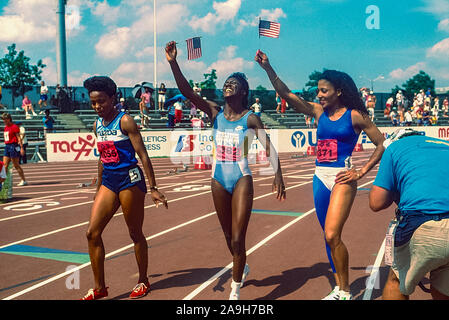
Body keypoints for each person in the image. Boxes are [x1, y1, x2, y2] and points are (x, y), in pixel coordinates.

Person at [255, 49, 385, 300]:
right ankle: (339, 286)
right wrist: (268, 68)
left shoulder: (355, 115)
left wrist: (361, 172)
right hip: (319, 177)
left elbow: (381, 143)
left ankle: (346, 292)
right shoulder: (317, 112)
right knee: (328, 235)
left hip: (341, 178)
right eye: (318, 91)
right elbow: (285, 93)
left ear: (338, 91)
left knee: (332, 233)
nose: (319, 95)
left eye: (324, 91)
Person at [166, 41, 286, 300]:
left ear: (243, 91)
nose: (227, 84)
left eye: (233, 83)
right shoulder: (214, 112)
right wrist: (173, 62)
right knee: (229, 236)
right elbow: (187, 92)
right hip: (218, 180)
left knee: (238, 237)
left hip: (241, 179)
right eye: (226, 82)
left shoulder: (250, 119)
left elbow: (269, 147)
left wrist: (278, 175)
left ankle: (235, 289)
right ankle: (241, 264)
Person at [80, 76, 168, 300]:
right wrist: (98, 187)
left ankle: (143, 280)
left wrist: (154, 188)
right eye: (93, 103)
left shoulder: (125, 121)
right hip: (109, 180)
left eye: (101, 101)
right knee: (92, 233)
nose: (97, 107)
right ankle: (100, 288)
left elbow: (143, 155)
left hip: (130, 179)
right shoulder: (96, 124)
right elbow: (102, 157)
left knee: (134, 233)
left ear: (112, 98)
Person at [369, 128, 449, 300]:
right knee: (444, 286)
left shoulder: (394, 148)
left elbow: (376, 202)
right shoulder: (446, 145)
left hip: (421, 222)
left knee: (396, 281)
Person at [2, 113, 27, 186]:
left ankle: (23, 180)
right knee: (5, 165)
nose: (4, 121)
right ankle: (3, 181)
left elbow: (19, 138)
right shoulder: (5, 127)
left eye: (5, 119)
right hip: (7, 146)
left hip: (13, 146)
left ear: (9, 119)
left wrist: (21, 148)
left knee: (16, 165)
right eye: (3, 120)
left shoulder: (14, 127)